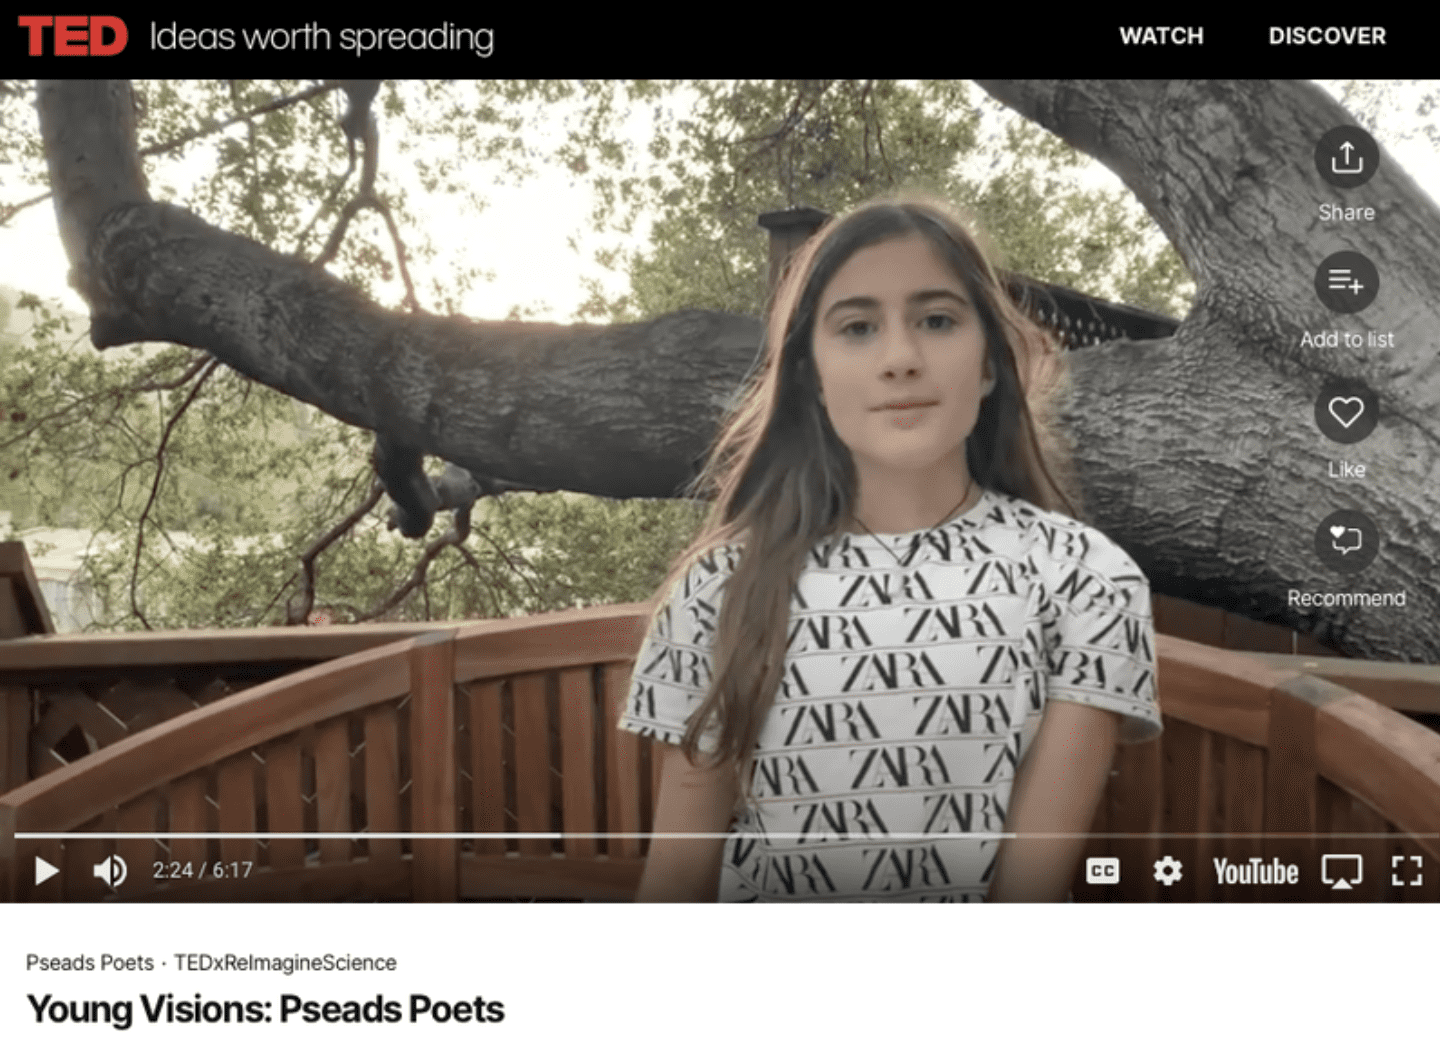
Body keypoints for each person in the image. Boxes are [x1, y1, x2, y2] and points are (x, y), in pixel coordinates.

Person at [618, 197, 1161, 902]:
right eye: (858, 328)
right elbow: (674, 885)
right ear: (810, 377)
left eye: (937, 321)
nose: (901, 359)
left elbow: (1029, 895)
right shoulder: (721, 586)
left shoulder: (1086, 580)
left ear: (989, 364)